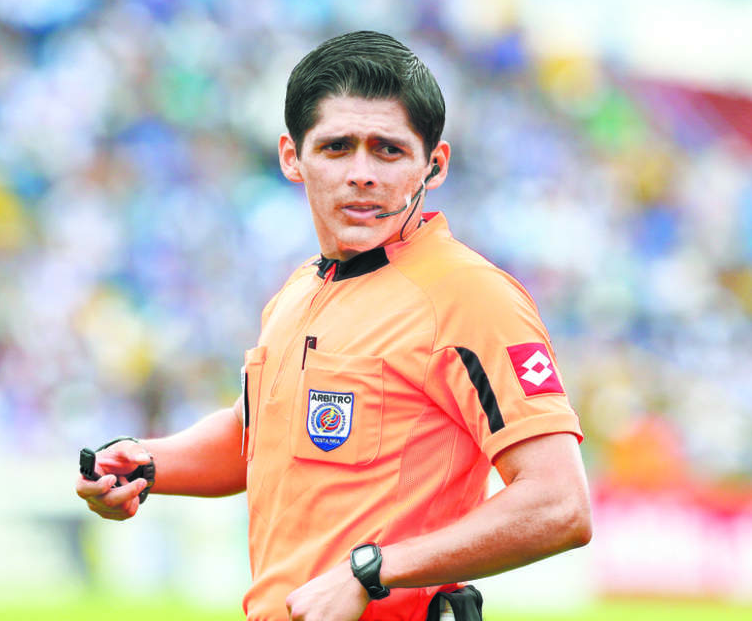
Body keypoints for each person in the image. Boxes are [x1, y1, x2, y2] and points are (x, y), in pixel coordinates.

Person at [76, 30, 592, 621]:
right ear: (291, 157)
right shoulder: (298, 292)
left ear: (435, 165)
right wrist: (145, 465)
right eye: (337, 147)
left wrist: (370, 571)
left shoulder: (470, 297)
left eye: (389, 150)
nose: (361, 173)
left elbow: (559, 504)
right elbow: (254, 438)